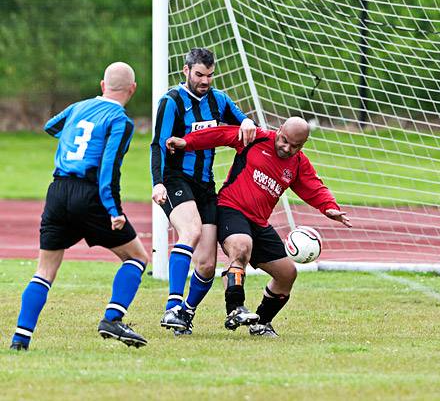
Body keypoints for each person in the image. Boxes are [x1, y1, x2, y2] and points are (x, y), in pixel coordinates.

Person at [166, 116, 352, 337]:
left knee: (287, 273)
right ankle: (235, 308)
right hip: (230, 209)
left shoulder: (298, 163)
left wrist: (329, 207)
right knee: (241, 246)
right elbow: (219, 134)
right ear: (279, 129)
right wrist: (187, 142)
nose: (287, 148)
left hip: (259, 222)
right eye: (284, 140)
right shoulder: (256, 138)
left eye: (295, 146)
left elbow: (313, 186)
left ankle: (261, 323)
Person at [10, 62, 148, 351]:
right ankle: (112, 318)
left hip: (57, 192)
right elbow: (109, 168)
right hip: (90, 194)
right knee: (136, 257)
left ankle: (20, 340)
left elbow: (51, 127)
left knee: (44, 271)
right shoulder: (121, 121)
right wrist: (114, 210)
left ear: (102, 86)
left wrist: (74, 132)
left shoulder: (78, 107)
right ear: (132, 89)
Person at [150, 47, 256, 335]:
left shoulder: (218, 100)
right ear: (186, 71)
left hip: (205, 185)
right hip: (175, 179)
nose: (205, 80)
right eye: (199, 74)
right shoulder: (171, 101)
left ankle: (185, 314)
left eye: (209, 75)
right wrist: (157, 182)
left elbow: (244, 121)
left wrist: (246, 122)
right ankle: (172, 306)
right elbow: (158, 144)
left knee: (207, 264)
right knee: (191, 231)